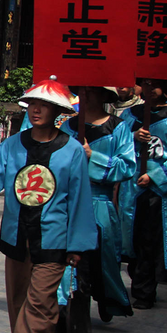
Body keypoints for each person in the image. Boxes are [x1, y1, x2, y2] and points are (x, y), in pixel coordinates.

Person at [0, 77, 93, 333]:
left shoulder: (71, 151)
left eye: (44, 106)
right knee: (17, 299)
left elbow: (80, 199)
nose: (36, 110)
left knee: (41, 302)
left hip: (54, 240)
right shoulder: (13, 144)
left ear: (57, 111)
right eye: (32, 105)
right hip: (16, 236)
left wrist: (77, 244)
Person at [58, 86, 135, 321]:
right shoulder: (67, 125)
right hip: (69, 202)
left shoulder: (118, 127)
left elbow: (127, 166)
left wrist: (95, 158)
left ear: (105, 96)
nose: (88, 95)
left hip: (99, 200)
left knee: (103, 258)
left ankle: (106, 299)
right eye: (85, 90)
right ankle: (64, 309)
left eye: (94, 91)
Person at [118, 79, 167, 309]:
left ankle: (145, 290)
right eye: (145, 85)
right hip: (131, 185)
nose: (149, 90)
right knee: (130, 237)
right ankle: (136, 281)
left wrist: (157, 176)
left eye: (154, 86)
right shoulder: (130, 115)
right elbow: (118, 145)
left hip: (156, 187)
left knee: (150, 238)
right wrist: (132, 137)